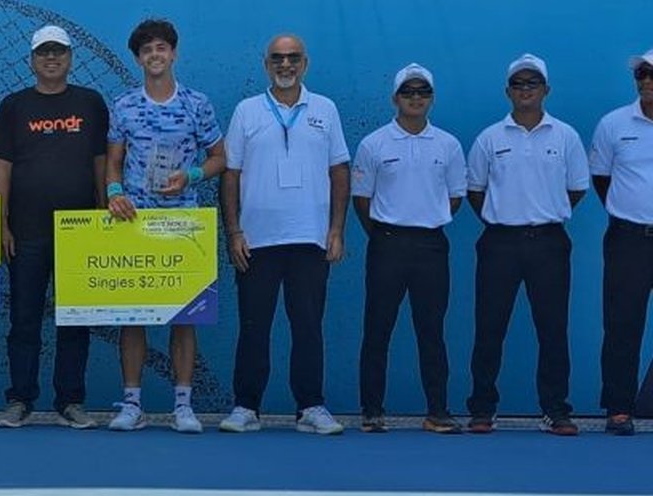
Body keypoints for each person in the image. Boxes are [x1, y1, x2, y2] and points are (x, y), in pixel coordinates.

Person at [218, 34, 350, 435]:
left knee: (308, 326)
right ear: (266, 65)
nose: (285, 65)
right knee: (254, 327)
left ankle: (311, 406)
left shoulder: (325, 109)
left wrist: (336, 229)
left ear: (305, 64)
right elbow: (231, 174)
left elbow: (340, 170)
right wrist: (234, 231)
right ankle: (245, 407)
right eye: (278, 58)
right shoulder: (247, 111)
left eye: (293, 58)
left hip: (310, 238)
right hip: (256, 240)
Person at [104, 18, 226, 433]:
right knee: (132, 316)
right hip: (134, 222)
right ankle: (132, 404)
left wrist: (189, 178)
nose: (155, 55)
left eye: (161, 48)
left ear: (173, 53)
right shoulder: (123, 105)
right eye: (147, 50)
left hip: (182, 222)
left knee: (184, 317)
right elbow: (113, 163)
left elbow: (219, 158)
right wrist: (115, 192)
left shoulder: (197, 104)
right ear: (138, 59)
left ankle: (183, 406)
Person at [0, 25, 108, 430]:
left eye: (59, 52)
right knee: (23, 319)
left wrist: (103, 215)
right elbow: (1, 167)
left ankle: (71, 400)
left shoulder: (91, 103)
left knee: (74, 319)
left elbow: (99, 162)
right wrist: (1, 222)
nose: (51, 58)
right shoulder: (14, 106)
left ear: (71, 58)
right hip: (25, 230)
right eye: (44, 53)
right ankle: (20, 399)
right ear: (32, 60)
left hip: (80, 231)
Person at [465, 54, 588, 436]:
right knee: (489, 328)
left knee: (552, 329)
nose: (525, 90)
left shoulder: (565, 136)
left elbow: (578, 187)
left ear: (546, 90)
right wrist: (505, 217)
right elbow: (475, 191)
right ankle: (483, 408)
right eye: (518, 84)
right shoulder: (490, 137)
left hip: (549, 242)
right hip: (500, 243)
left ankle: (556, 409)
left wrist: (543, 212)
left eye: (532, 83)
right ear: (508, 91)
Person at [351, 64, 465, 434]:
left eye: (423, 92)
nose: (416, 98)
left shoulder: (448, 144)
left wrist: (424, 220)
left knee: (431, 330)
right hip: (387, 244)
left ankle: (437, 411)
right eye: (408, 92)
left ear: (431, 98)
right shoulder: (374, 143)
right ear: (395, 98)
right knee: (378, 329)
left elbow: (454, 198)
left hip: (431, 246)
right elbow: (362, 200)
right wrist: (387, 231)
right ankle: (371, 410)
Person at [591, 48, 653, 436]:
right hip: (629, 238)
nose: (646, 81)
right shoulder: (613, 124)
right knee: (622, 324)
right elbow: (601, 179)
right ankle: (618, 408)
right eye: (641, 75)